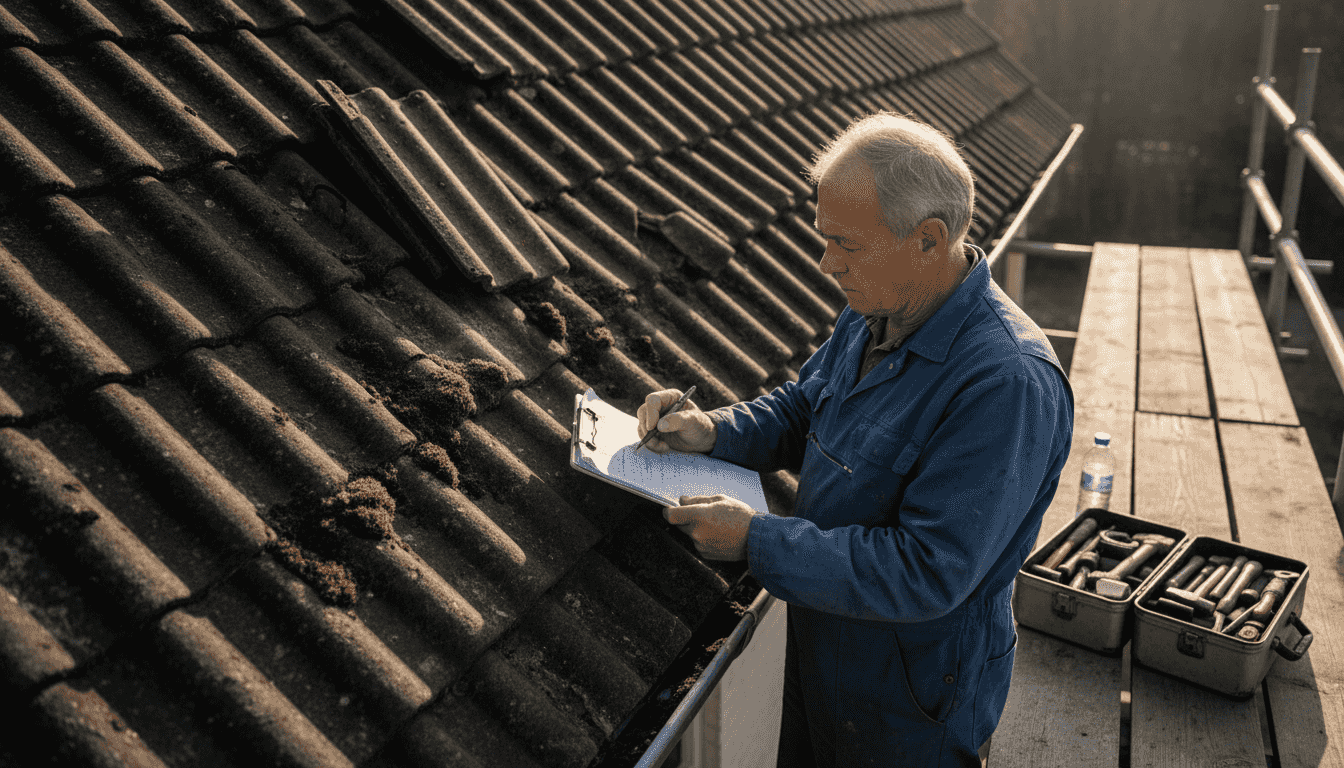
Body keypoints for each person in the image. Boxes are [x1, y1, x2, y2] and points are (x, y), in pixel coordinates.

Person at [636, 112, 1074, 767]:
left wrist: (756, 541)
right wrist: (714, 430)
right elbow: (805, 408)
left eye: (846, 244)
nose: (826, 263)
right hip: (830, 650)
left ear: (928, 239)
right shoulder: (879, 306)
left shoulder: (1005, 383)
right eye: (824, 239)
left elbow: (929, 570)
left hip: (911, 701)